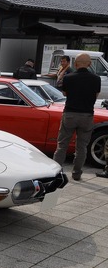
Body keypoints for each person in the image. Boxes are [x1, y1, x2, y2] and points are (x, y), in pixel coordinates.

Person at [52, 53, 101, 181]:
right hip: (87, 115)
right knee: (82, 147)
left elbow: (65, 93)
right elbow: (95, 96)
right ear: (90, 64)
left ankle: (55, 173)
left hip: (70, 114)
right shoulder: (96, 79)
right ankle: (77, 173)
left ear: (75, 64)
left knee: (62, 145)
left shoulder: (69, 77)